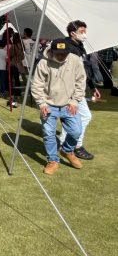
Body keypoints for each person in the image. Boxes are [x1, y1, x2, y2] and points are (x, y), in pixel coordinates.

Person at [31, 39, 86, 175]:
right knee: (49, 134)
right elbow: (37, 84)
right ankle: (52, 160)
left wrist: (75, 101)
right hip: (49, 105)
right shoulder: (43, 62)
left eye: (64, 53)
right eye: (58, 53)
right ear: (52, 51)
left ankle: (67, 150)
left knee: (76, 131)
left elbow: (81, 81)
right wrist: (42, 103)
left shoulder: (75, 60)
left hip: (69, 104)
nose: (61, 56)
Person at [58, 20, 99, 160]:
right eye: (82, 32)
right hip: (70, 90)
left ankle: (65, 143)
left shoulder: (80, 47)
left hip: (78, 89)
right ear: (72, 33)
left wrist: (92, 86)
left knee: (72, 117)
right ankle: (75, 146)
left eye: (85, 31)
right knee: (84, 116)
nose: (84, 34)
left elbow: (85, 69)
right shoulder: (67, 47)